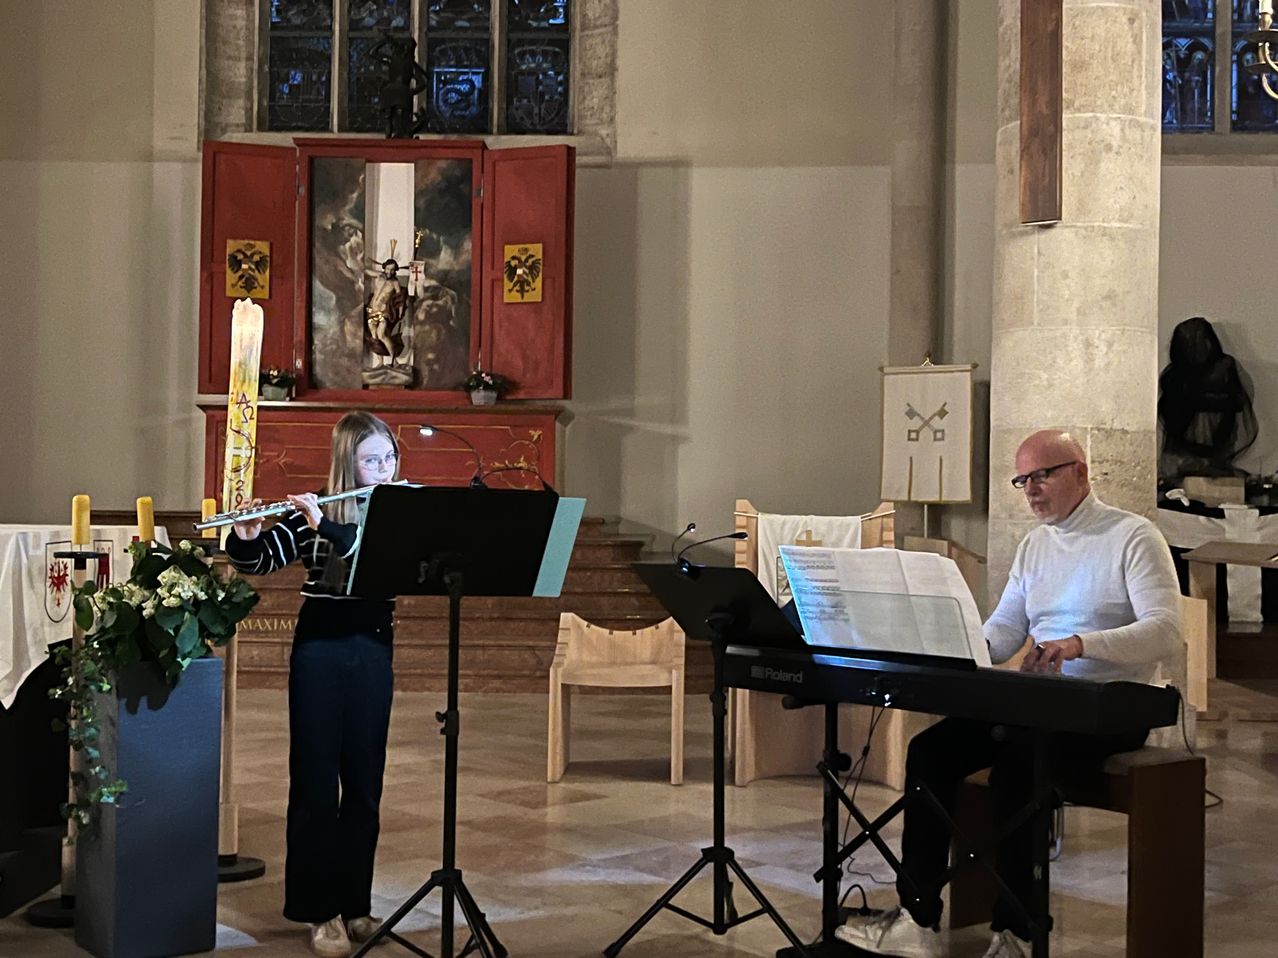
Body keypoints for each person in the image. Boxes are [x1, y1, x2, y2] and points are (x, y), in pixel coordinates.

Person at [837, 429, 1182, 958]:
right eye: (1024, 480)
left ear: (1081, 472)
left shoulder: (1133, 536)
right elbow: (1003, 631)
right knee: (930, 753)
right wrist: (952, 640)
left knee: (1021, 769)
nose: (1032, 490)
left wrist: (1078, 644)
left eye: (1042, 475)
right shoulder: (1035, 544)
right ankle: (918, 917)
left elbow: (1165, 630)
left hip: (1111, 703)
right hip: (1040, 700)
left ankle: (1018, 932)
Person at [226, 411, 402, 958]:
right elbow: (259, 560)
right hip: (321, 653)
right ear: (347, 462)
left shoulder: (397, 511)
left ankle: (357, 905)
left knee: (366, 786)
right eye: (371, 460)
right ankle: (319, 911)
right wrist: (245, 535)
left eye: (389, 458)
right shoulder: (314, 509)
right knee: (316, 783)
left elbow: (366, 552)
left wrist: (325, 526)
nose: (383, 469)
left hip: (373, 650)